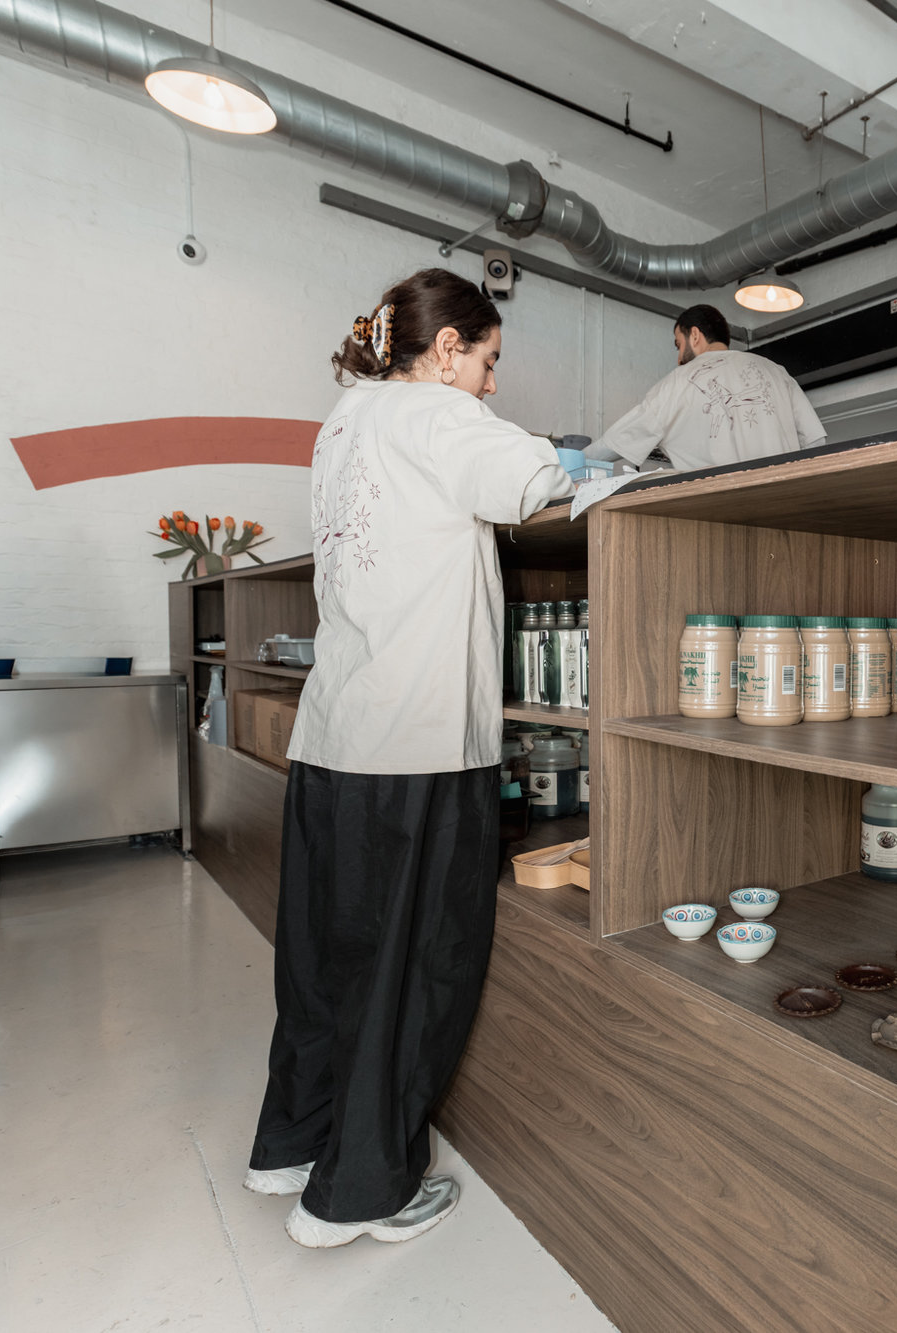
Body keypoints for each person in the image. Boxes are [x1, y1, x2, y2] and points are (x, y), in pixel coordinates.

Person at [244, 267, 573, 1249]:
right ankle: (363, 1191)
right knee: (411, 964)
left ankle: (290, 1143)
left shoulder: (344, 421)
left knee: (326, 957)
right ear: (443, 351)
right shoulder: (431, 411)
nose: (491, 383)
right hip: (419, 742)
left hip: (338, 735)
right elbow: (531, 479)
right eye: (487, 360)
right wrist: (584, 455)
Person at [586, 303, 827, 472]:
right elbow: (815, 444)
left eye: (679, 344)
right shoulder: (777, 372)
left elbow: (622, 436)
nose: (679, 357)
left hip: (718, 513)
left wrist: (574, 460)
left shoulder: (678, 381)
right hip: (785, 509)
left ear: (695, 335)